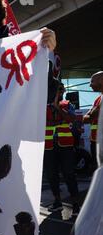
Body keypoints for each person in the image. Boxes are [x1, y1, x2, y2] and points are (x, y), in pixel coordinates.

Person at [44, 83, 80, 216]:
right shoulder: (43, 107)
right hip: (49, 146)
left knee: (69, 174)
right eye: (57, 90)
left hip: (65, 146)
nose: (60, 92)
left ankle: (75, 204)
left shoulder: (67, 104)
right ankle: (57, 202)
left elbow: (71, 118)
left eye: (61, 90)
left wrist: (58, 108)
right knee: (52, 175)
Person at [83, 71, 103, 172]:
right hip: (95, 141)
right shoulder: (98, 100)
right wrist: (93, 113)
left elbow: (91, 116)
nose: (90, 85)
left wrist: (92, 114)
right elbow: (85, 118)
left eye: (92, 81)